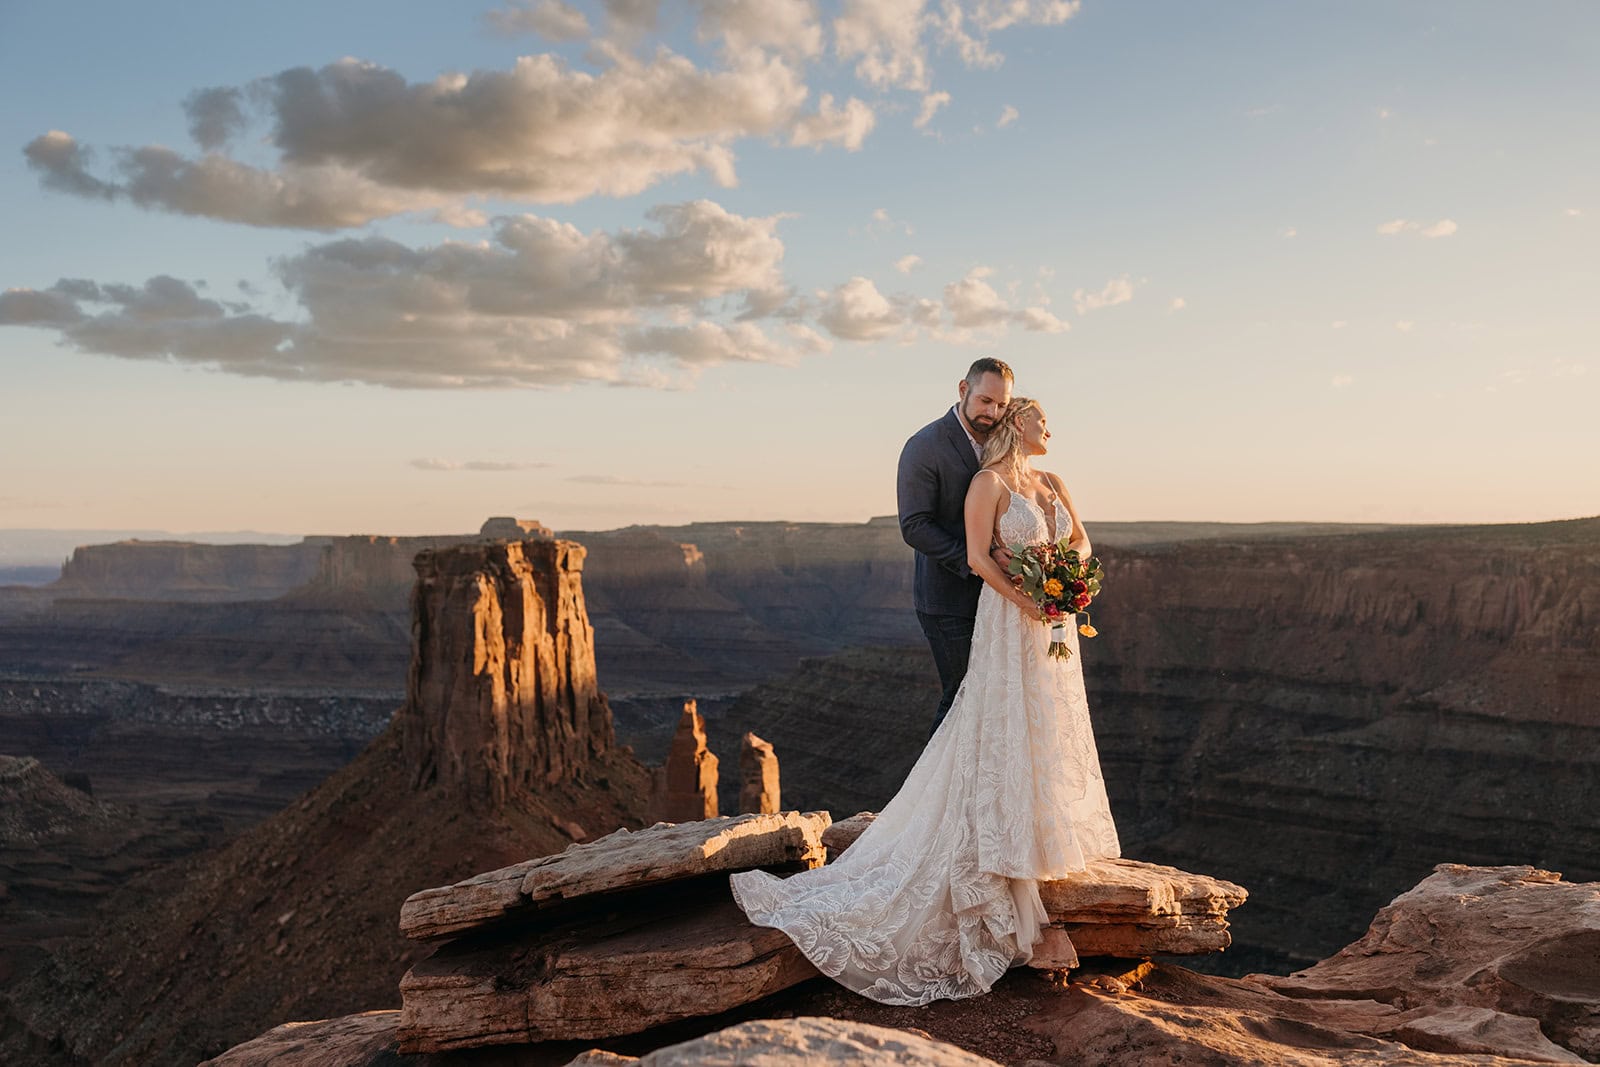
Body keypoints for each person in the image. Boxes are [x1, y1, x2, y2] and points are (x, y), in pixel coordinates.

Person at [730, 396, 1121, 1006]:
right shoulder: (986, 484)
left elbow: (1083, 542)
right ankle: (991, 839)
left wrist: (1069, 583)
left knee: (1044, 725)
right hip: (1013, 618)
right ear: (1020, 422)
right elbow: (974, 558)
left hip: (1054, 622)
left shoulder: (1053, 481)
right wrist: (1028, 602)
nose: (1052, 430)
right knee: (997, 723)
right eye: (1044, 420)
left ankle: (1036, 831)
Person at [895, 358, 1015, 737]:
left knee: (992, 698)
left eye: (1001, 405)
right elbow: (914, 526)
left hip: (995, 598)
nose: (992, 413)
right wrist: (976, 559)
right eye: (984, 401)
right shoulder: (924, 446)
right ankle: (931, 794)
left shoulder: (1002, 443)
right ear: (963, 390)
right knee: (961, 695)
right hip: (946, 601)